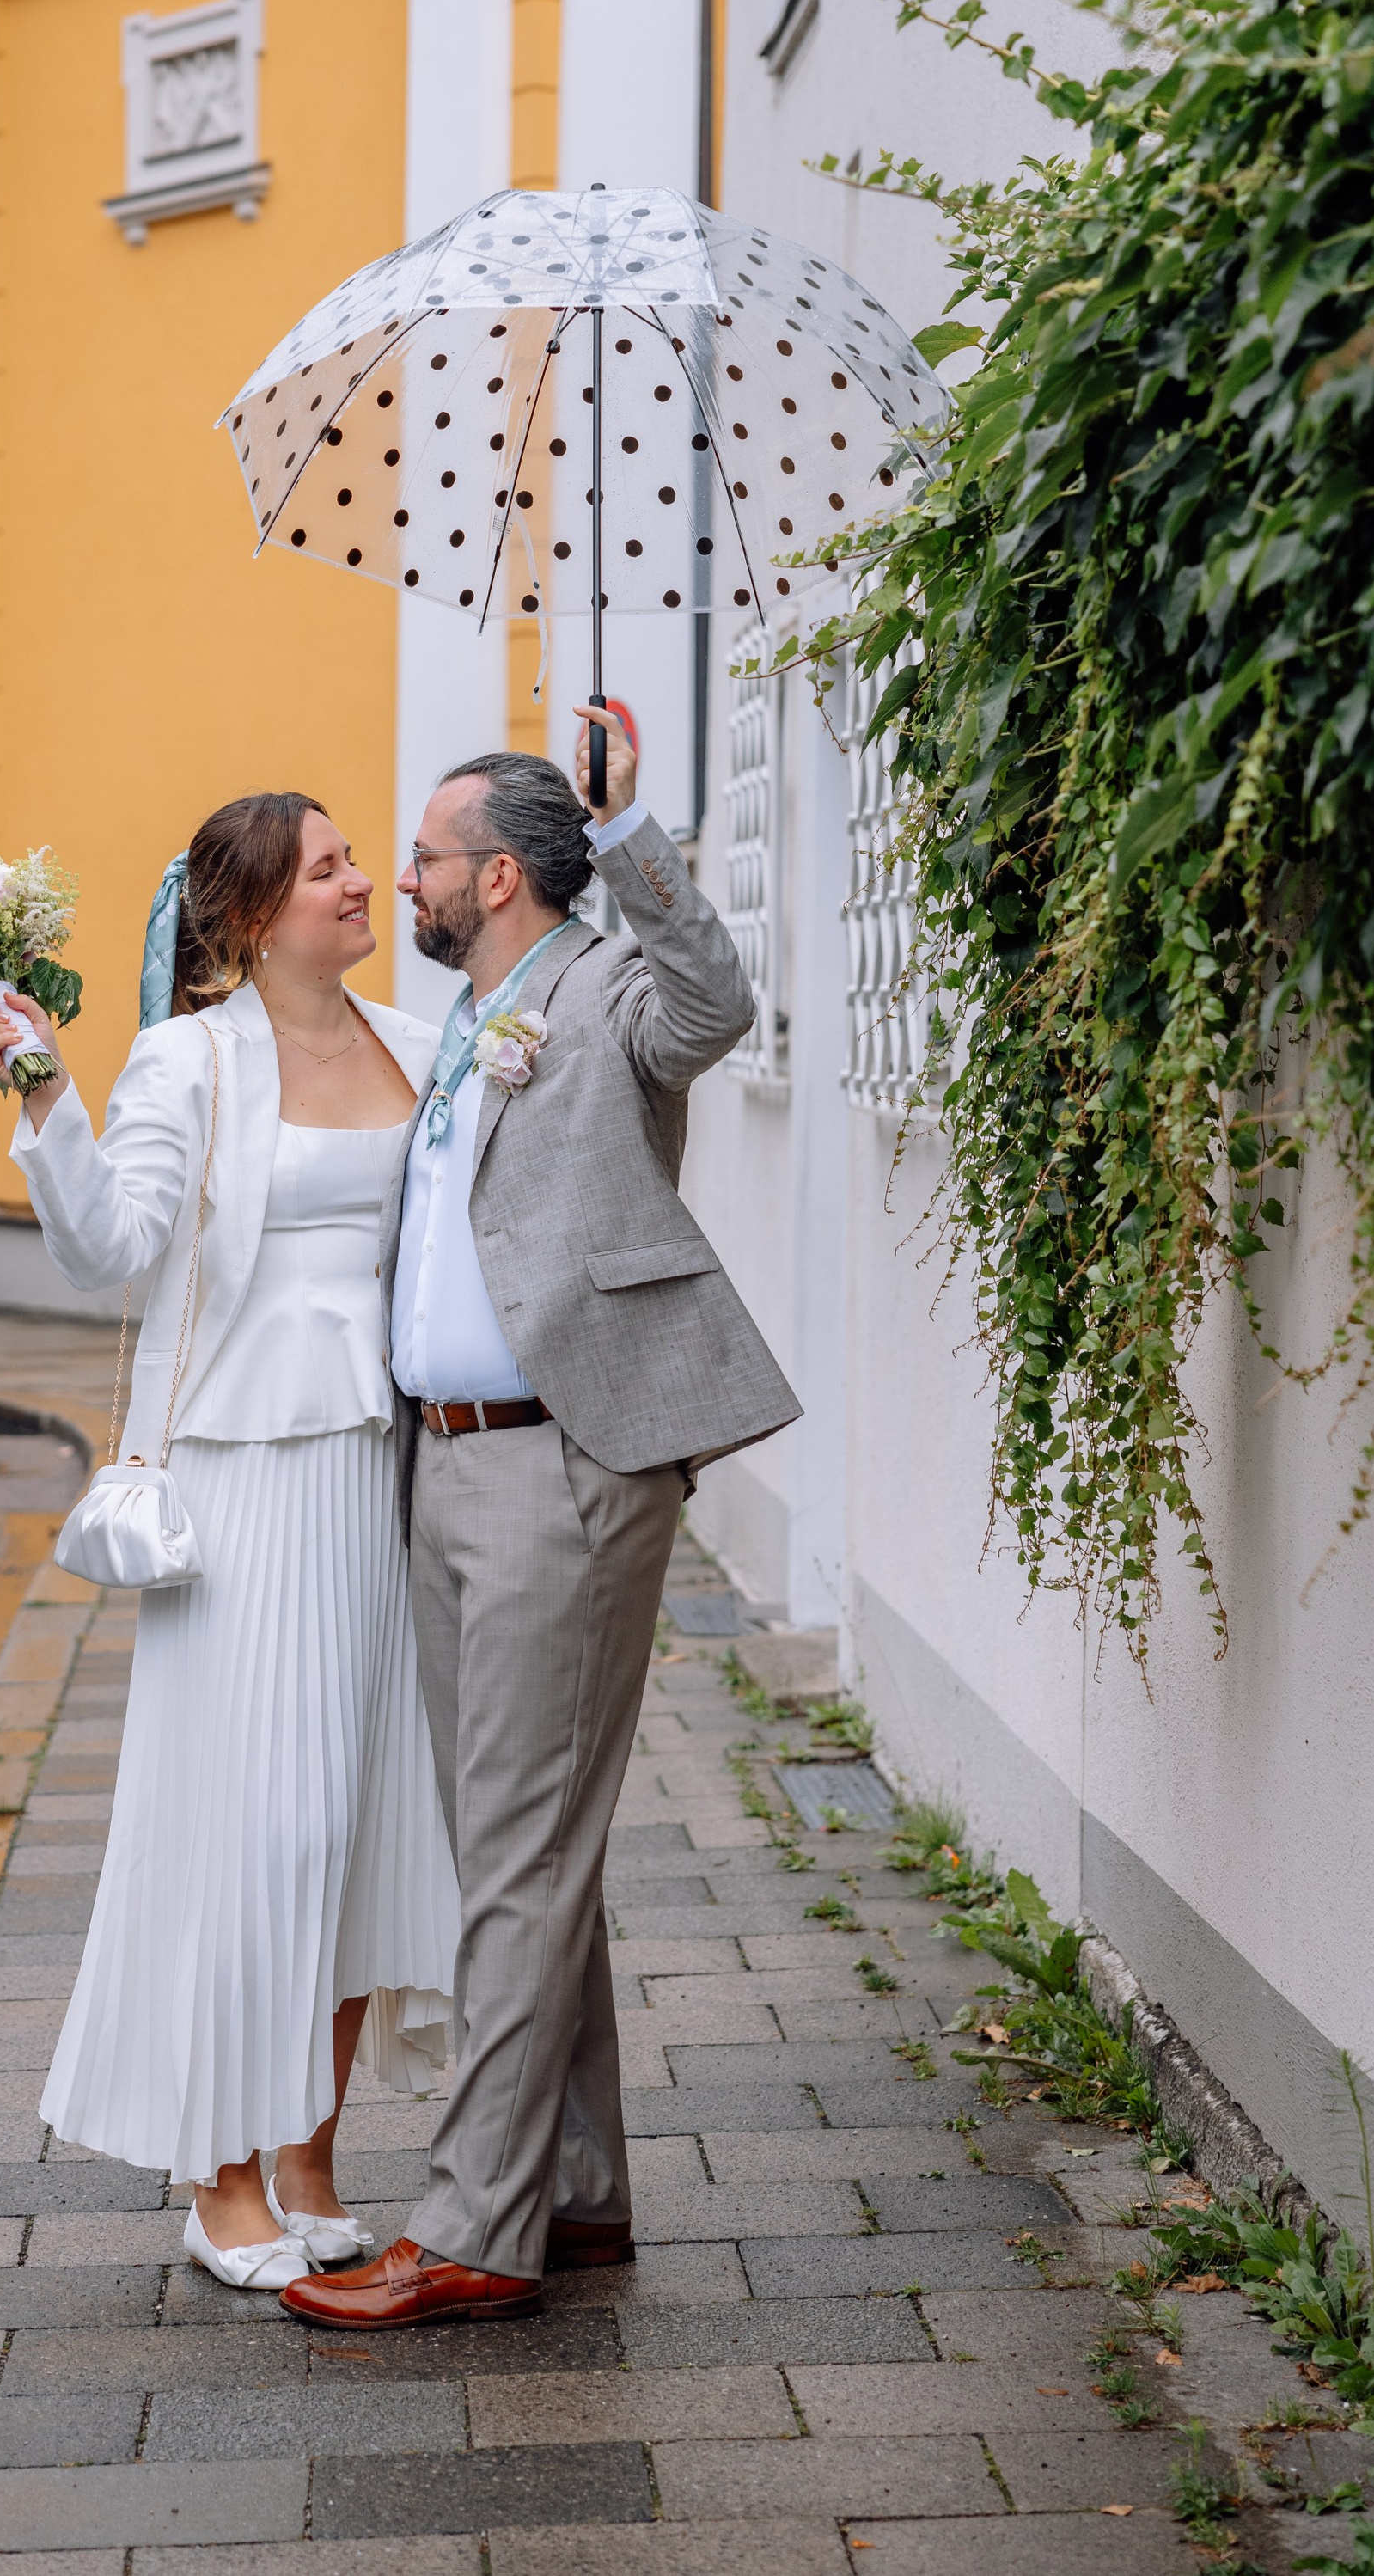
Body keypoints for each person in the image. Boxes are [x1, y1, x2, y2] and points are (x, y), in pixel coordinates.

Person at [279, 711, 799, 2332]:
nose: (405, 878)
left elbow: (720, 1002)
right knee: (523, 1845)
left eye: (424, 855)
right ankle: (572, 2191)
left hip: (558, 1470)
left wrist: (633, 832)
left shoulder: (605, 993)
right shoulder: (467, 1017)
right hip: (446, 1468)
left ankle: (473, 2226)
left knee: (511, 1854)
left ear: (497, 874)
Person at [0, 793, 459, 2291]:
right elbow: (111, 1247)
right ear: (249, 915)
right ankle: (218, 2172)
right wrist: (48, 1100)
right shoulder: (189, 1058)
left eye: (357, 860)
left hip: (381, 1469)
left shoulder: (420, 1042)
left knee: (361, 1822)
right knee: (256, 1830)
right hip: (239, 1487)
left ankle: (308, 2150)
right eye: (328, 869)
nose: (364, 881)